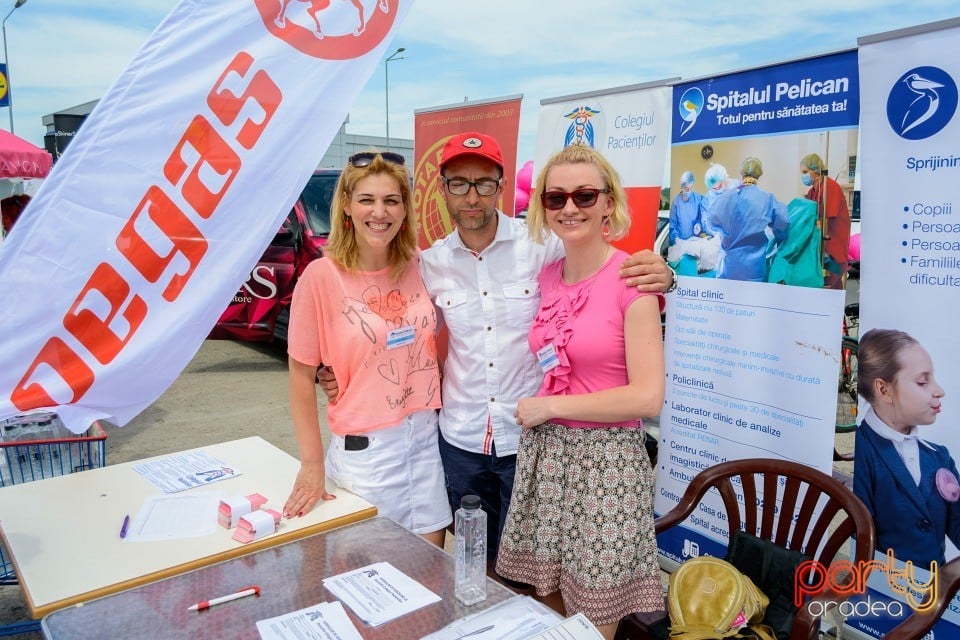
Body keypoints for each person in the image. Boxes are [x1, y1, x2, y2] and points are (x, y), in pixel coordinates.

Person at [417, 132, 674, 581]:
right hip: (461, 437)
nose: (472, 196)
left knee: (531, 572)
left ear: (500, 187)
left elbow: (601, 270)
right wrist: (330, 369)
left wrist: (665, 277)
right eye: (459, 183)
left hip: (530, 440)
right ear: (443, 190)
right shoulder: (429, 263)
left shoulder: (543, 246)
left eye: (483, 183)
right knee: (475, 562)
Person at [495, 144, 665, 638]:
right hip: (547, 455)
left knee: (593, 618)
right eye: (556, 198)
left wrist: (550, 405)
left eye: (585, 195)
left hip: (606, 463)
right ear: (542, 207)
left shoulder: (632, 278)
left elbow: (647, 397)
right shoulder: (548, 274)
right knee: (545, 594)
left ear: (609, 202)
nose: (570, 208)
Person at [282, 151, 450, 547]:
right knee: (367, 587)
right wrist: (311, 463)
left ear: (405, 209)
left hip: (426, 445)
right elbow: (301, 376)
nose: (380, 211)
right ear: (347, 206)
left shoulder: (418, 264)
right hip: (367, 460)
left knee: (428, 584)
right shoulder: (321, 277)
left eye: (391, 200)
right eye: (367, 200)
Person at [854, 328, 958, 567]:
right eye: (923, 381)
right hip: (881, 593)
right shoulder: (862, 454)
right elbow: (858, 545)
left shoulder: (939, 456)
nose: (939, 390)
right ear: (884, 390)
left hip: (937, 594)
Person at [707, 156, 789, 282]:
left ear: (742, 173)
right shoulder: (767, 198)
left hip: (730, 268)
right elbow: (783, 222)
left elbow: (712, 220)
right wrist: (778, 236)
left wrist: (726, 233)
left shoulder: (727, 196)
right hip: (755, 269)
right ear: (759, 175)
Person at [800, 153, 851, 290]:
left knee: (831, 282)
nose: (803, 176)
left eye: (805, 172)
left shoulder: (830, 187)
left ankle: (833, 310)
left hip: (833, 243)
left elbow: (826, 218)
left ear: (815, 169)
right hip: (820, 244)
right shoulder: (812, 191)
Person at [669, 170, 705, 244]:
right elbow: (672, 225)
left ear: (693, 186)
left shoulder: (699, 199)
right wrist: (676, 240)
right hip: (679, 243)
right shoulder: (676, 201)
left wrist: (699, 225)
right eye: (684, 188)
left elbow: (701, 218)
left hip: (695, 242)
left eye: (689, 188)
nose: (686, 191)